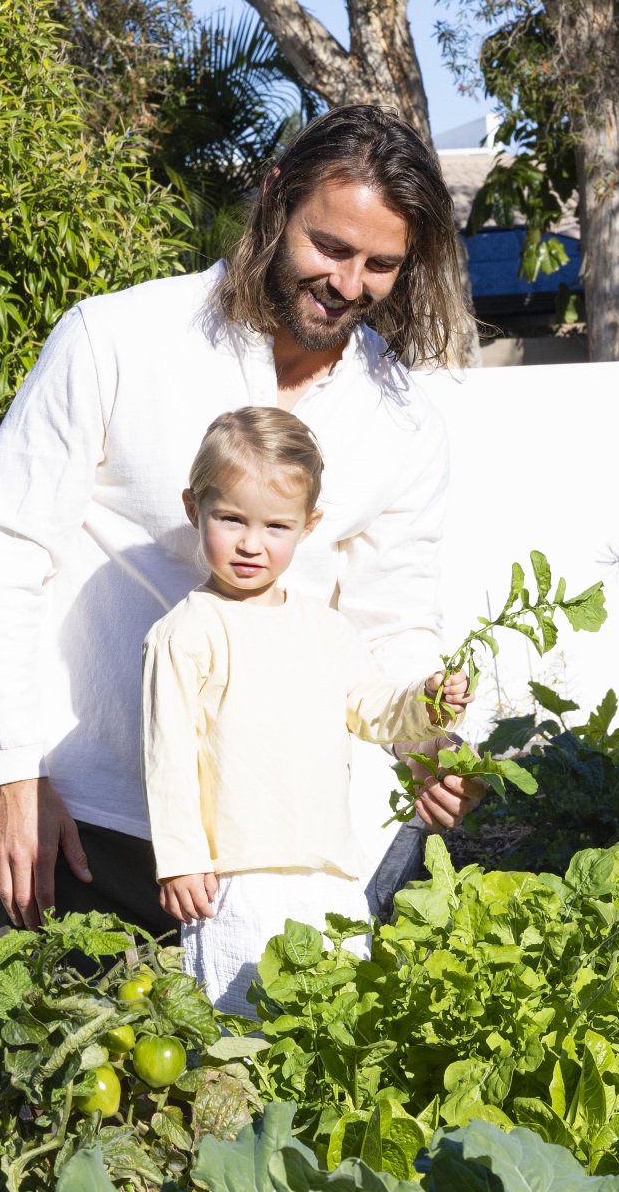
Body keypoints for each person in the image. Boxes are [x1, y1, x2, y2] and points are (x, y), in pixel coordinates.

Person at [0, 102, 477, 936]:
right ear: (275, 199)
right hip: (88, 826)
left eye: (380, 265)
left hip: (274, 858)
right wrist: (13, 775)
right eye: (331, 247)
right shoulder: (116, 338)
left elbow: (392, 618)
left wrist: (429, 734)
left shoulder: (404, 419)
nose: (349, 286)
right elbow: (8, 553)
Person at [142, 409, 464, 1010]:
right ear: (194, 510)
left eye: (275, 527)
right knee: (240, 1032)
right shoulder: (185, 633)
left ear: (309, 526)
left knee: (336, 1022)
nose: (250, 544)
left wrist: (427, 702)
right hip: (234, 876)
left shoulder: (325, 627)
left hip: (329, 870)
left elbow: (375, 708)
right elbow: (168, 759)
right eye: (230, 519)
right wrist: (180, 860)